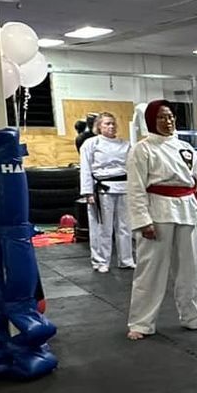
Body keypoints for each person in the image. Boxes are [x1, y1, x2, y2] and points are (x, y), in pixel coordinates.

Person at [124, 100, 197, 339]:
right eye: (162, 118)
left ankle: (191, 316)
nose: (168, 121)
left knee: (189, 268)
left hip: (186, 208)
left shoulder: (185, 147)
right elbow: (135, 188)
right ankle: (141, 322)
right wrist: (142, 220)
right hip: (157, 211)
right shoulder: (142, 149)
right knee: (151, 269)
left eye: (171, 117)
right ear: (151, 121)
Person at [78, 111, 134, 274]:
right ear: (99, 127)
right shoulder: (91, 144)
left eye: (113, 123)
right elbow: (86, 169)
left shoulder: (126, 144)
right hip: (102, 189)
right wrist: (88, 192)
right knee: (102, 227)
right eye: (107, 124)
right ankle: (100, 261)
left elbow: (132, 167)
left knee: (125, 226)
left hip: (124, 186)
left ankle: (126, 259)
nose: (111, 126)